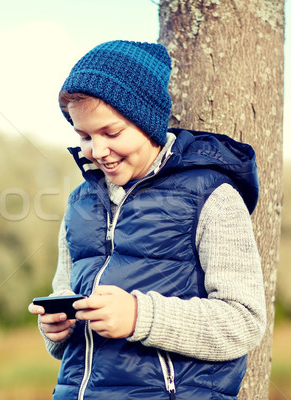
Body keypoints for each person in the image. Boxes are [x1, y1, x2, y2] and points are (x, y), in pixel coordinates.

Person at [28, 40, 266, 400]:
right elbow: (67, 304)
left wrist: (140, 316)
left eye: (111, 133)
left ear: (147, 121)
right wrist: (56, 327)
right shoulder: (81, 202)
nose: (98, 150)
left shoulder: (211, 196)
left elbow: (244, 322)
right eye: (84, 136)